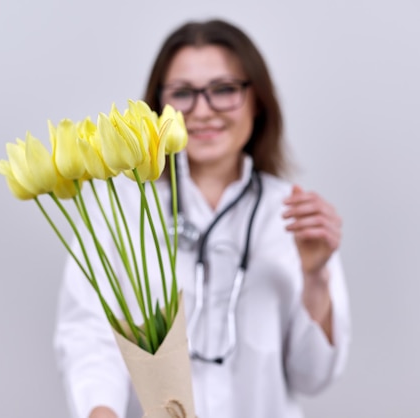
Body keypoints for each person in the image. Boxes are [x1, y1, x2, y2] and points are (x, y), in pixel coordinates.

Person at [54, 18, 351, 418]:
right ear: (158, 106)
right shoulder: (120, 206)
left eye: (224, 89)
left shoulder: (295, 215)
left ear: (257, 99)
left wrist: (316, 278)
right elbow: (88, 335)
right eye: (183, 93)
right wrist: (101, 411)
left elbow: (312, 378)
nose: (202, 111)